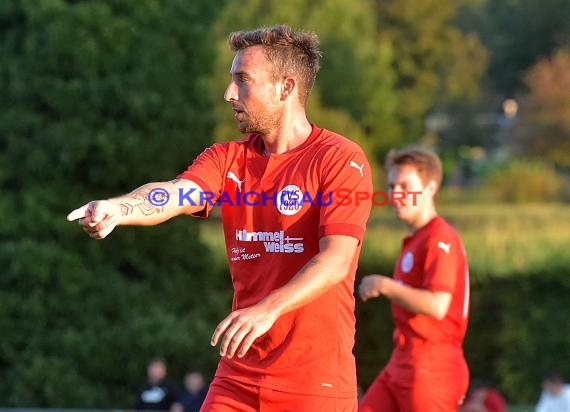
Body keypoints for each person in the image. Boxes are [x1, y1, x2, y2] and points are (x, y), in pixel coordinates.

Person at [68, 24, 372, 411]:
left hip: (315, 383)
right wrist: (119, 208)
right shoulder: (227, 158)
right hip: (238, 378)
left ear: (286, 87)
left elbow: (335, 262)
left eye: (243, 81)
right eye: (231, 81)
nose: (230, 94)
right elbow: (174, 194)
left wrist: (268, 309)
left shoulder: (339, 159)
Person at [358, 146, 470, 412]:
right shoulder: (415, 240)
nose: (396, 195)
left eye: (406, 187)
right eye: (392, 186)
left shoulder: (439, 237)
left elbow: (437, 305)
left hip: (432, 365)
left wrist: (385, 285)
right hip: (403, 361)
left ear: (430, 188)